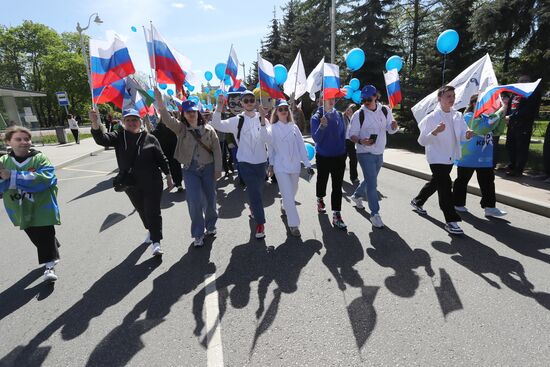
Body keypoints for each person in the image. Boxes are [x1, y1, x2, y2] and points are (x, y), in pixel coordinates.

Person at [90, 108, 173, 256]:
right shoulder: (119, 136)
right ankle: (150, 230)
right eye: (128, 120)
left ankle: (156, 242)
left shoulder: (150, 138)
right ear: (123, 122)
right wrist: (95, 123)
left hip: (153, 182)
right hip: (131, 184)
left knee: (152, 211)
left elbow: (162, 158)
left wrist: (168, 176)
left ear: (140, 122)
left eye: (134, 120)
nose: (131, 123)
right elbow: (102, 139)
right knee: (142, 210)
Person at [155, 88, 222, 247]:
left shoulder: (209, 129)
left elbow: (217, 150)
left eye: (194, 111)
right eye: (188, 112)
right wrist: (160, 103)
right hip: (190, 170)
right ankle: (198, 233)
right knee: (194, 201)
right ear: (183, 114)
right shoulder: (181, 129)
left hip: (208, 168)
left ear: (198, 113)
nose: (191, 114)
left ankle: (211, 225)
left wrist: (218, 169)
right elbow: (167, 119)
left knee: (210, 199)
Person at [0, 126, 61, 282]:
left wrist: (12, 176)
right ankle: (52, 245)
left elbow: (46, 179)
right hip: (18, 207)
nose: (23, 142)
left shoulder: (39, 158)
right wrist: (9, 180)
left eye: (26, 139)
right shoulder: (3, 161)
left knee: (44, 233)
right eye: (18, 139)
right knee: (36, 236)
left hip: (42, 206)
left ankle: (49, 267)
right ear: (8, 142)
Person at [410, 85, 473, 235]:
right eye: (448, 96)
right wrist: (435, 131)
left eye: (453, 96)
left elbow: (463, 134)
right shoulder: (431, 117)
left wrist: (468, 135)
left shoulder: (457, 115)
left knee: (436, 182)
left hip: (450, 157)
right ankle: (451, 221)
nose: (452, 99)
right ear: (440, 99)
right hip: (436, 157)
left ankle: (418, 201)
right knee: (445, 186)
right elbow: (422, 140)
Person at [211, 90, 270, 239]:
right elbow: (216, 124)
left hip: (261, 161)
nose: (249, 102)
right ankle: (260, 223)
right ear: (242, 103)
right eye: (246, 100)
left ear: (255, 102)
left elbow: (268, 139)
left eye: (252, 100)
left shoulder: (262, 117)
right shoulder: (237, 120)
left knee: (256, 191)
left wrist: (263, 119)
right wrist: (219, 106)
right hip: (245, 162)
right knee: (254, 192)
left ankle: (253, 208)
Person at [262, 99, 314, 237]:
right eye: (281, 109)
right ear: (276, 112)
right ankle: (294, 225)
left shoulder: (294, 127)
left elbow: (301, 147)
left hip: (295, 165)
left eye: (286, 109)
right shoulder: (272, 128)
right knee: (288, 195)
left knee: (292, 191)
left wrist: (308, 164)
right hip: (280, 166)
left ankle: (284, 203)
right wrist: (271, 164)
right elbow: (269, 146)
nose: (284, 111)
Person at [349, 85, 398, 228]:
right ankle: (375, 214)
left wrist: (394, 127)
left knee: (371, 179)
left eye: (368, 99)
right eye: (363, 100)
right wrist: (360, 140)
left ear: (376, 97)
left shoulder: (385, 110)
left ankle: (357, 196)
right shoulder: (359, 114)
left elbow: (390, 128)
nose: (366, 102)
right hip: (364, 153)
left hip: (379, 152)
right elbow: (351, 134)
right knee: (372, 184)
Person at [452, 94, 508, 217]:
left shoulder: (486, 117)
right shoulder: (468, 117)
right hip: (469, 156)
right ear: (474, 104)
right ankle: (457, 203)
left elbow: (497, 131)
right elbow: (483, 127)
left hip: (485, 157)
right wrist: (501, 110)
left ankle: (490, 207)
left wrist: (502, 117)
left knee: (488, 182)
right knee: (462, 180)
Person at [310, 95, 347, 229]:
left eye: (333, 99)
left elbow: (343, 134)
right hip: (323, 156)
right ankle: (320, 198)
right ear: (322, 101)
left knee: (337, 187)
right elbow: (316, 138)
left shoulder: (339, 115)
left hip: (339, 156)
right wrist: (322, 126)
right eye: (328, 99)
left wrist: (344, 151)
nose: (331, 101)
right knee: (322, 180)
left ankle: (336, 214)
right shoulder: (317, 116)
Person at [504, 75, 542, 177]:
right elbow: (510, 107)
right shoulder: (515, 94)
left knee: (521, 148)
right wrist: (506, 116)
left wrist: (511, 117)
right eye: (520, 81)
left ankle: (518, 169)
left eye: (525, 81)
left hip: (523, 125)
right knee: (510, 145)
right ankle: (511, 165)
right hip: (512, 125)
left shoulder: (532, 94)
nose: (523, 83)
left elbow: (527, 110)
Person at [152, 116, 184, 192]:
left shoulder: (171, 127)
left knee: (173, 167)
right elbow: (153, 136)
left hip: (171, 150)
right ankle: (174, 182)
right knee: (171, 167)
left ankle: (178, 183)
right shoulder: (160, 128)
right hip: (167, 151)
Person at [343, 103, 359, 183]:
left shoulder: (355, 119)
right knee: (342, 160)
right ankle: (339, 175)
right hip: (343, 142)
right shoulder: (342, 117)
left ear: (354, 112)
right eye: (347, 109)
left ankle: (354, 177)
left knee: (354, 159)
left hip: (351, 142)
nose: (348, 111)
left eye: (350, 110)